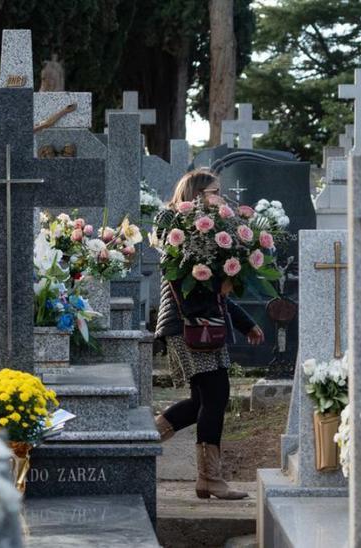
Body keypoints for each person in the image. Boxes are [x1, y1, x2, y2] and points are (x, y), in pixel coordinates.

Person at [153, 168, 266, 500]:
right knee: (215, 394)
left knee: (203, 399)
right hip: (191, 324)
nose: (219, 197)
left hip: (201, 321)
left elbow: (216, 291)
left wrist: (246, 323)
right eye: (213, 192)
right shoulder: (179, 228)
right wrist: (202, 314)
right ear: (196, 195)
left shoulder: (205, 230)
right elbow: (185, 284)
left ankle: (139, 442)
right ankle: (210, 479)